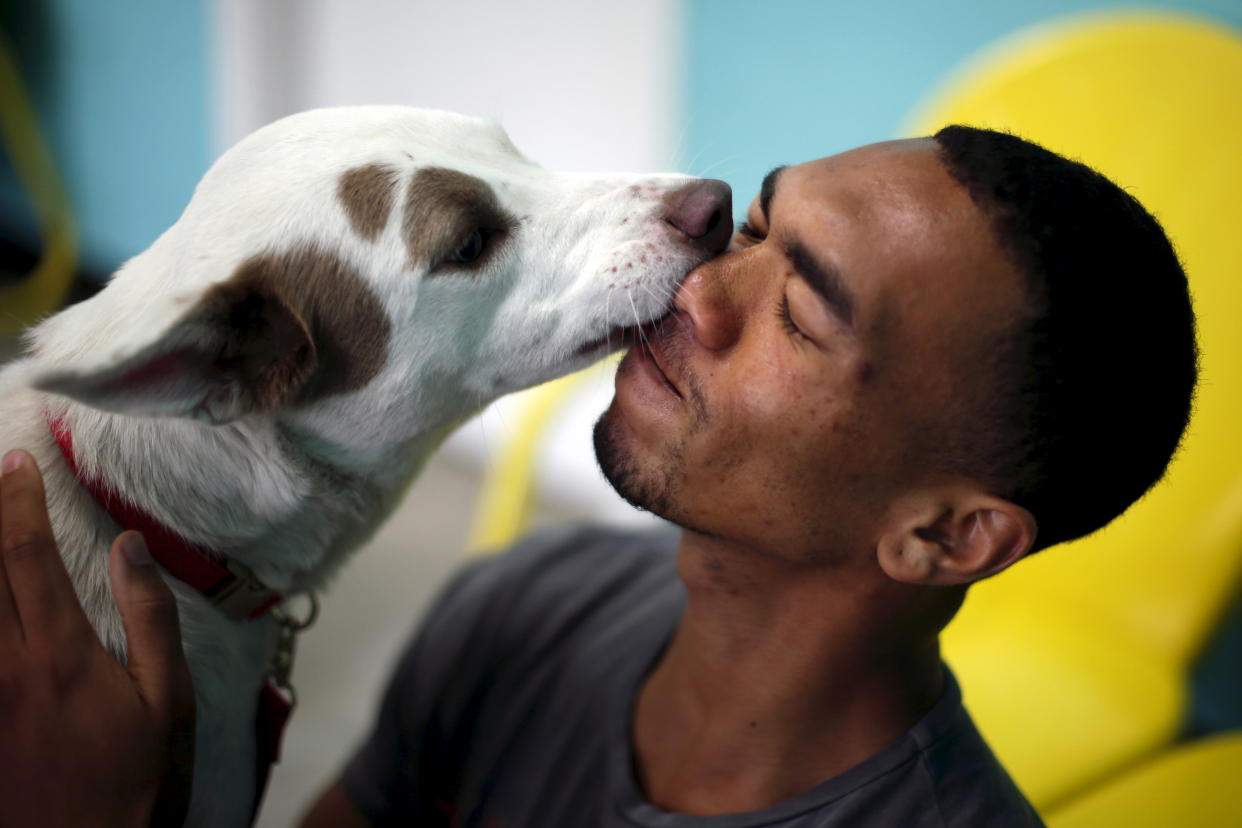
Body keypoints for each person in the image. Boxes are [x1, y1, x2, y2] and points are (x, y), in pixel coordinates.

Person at [0, 126, 1197, 827]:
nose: (702, 281)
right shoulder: (524, 601)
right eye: (761, 226)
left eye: (801, 312)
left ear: (944, 537)